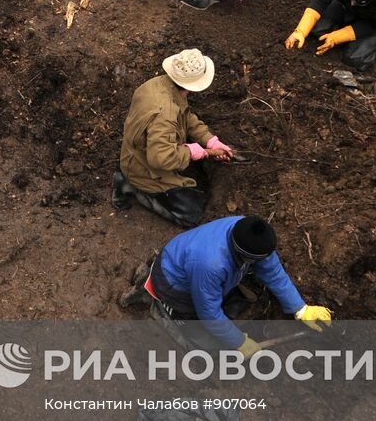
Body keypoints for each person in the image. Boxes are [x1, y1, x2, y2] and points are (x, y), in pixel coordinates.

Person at [120, 215, 333, 355]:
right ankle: (162, 305)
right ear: (244, 255)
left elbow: (273, 271)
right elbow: (209, 313)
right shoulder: (210, 264)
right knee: (205, 343)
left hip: (191, 266)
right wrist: (238, 341)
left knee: (229, 300)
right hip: (173, 282)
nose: (266, 261)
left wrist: (300, 309)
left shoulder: (249, 231)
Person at [113, 49, 236, 228]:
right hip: (143, 167)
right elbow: (160, 158)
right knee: (192, 214)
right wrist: (194, 152)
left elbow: (185, 116)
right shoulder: (165, 113)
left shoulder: (158, 85)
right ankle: (132, 187)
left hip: (136, 151)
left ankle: (127, 178)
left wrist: (210, 140)